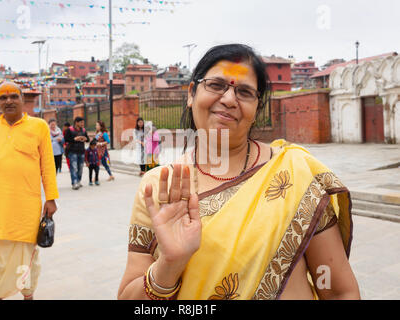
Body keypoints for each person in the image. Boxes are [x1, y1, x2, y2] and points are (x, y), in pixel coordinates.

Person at [118, 44, 360, 300]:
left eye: (244, 92)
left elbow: (338, 291)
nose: (229, 99)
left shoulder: (295, 172)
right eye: (216, 85)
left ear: (256, 108)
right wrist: (168, 264)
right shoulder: (158, 187)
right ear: (191, 93)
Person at [0, 81, 59, 300]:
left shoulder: (38, 126)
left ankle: (27, 296)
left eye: (13, 96)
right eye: (3, 97)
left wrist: (51, 198)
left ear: (22, 99)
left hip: (25, 207)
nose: (8, 101)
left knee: (26, 260)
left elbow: (47, 164)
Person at [64, 117, 89, 190]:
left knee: (80, 168)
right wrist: (74, 139)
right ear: (76, 122)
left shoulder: (83, 130)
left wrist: (85, 139)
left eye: (83, 122)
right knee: (74, 167)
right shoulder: (70, 130)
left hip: (81, 151)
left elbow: (88, 139)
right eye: (81, 122)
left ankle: (78, 181)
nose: (82, 124)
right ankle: (74, 183)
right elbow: (65, 139)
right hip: (72, 151)